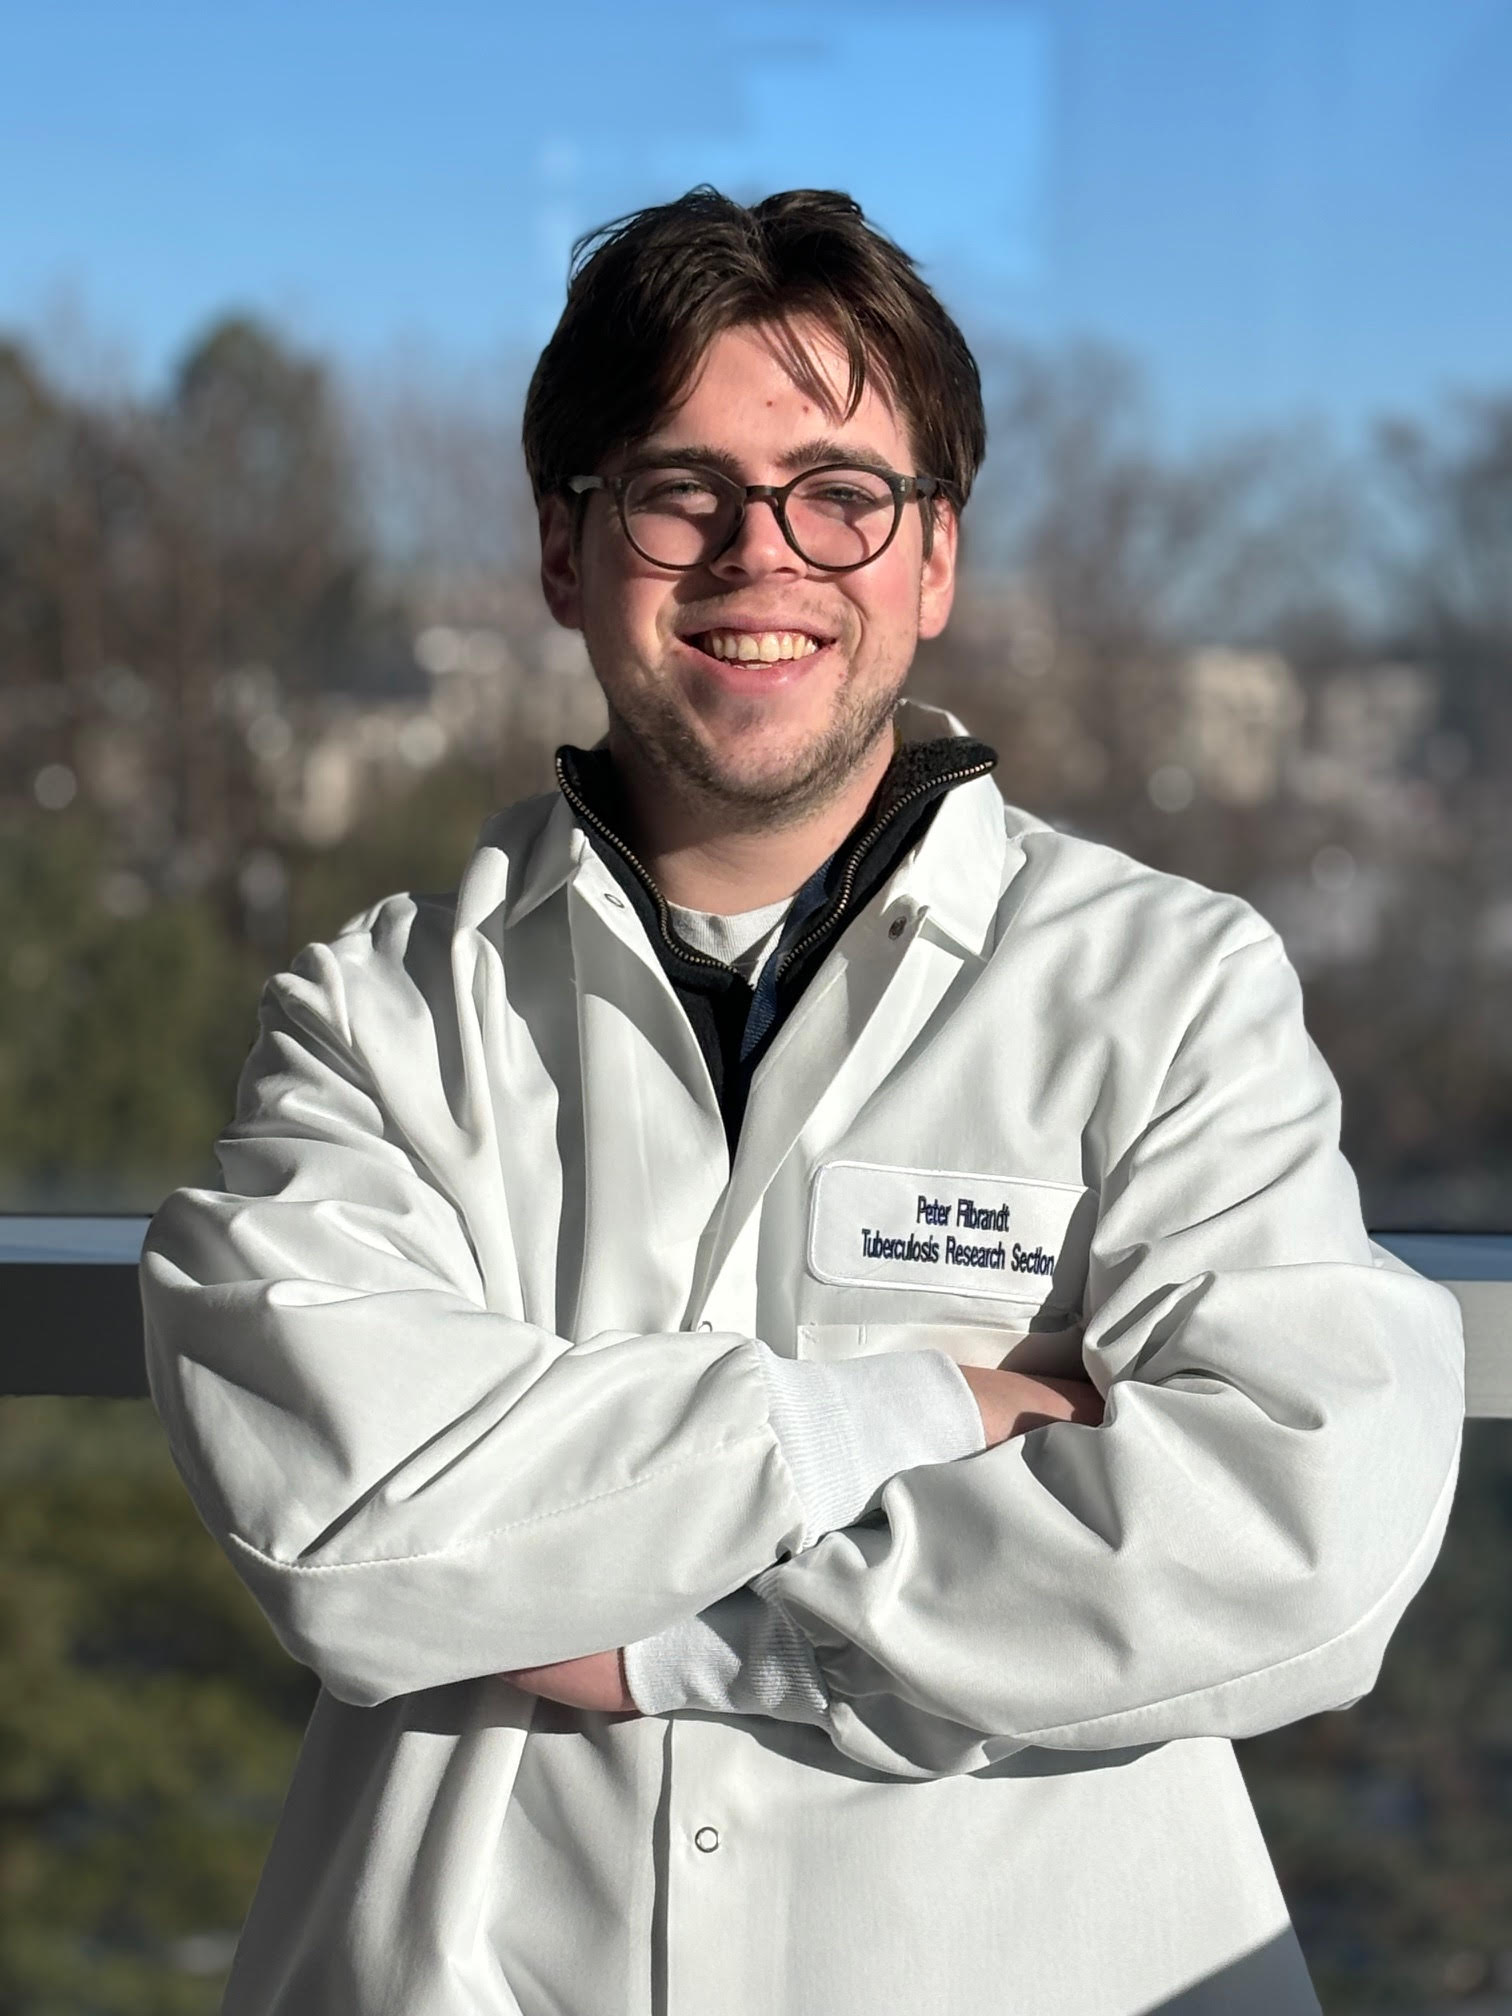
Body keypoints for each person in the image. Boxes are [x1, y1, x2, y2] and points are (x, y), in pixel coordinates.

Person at [141, 188, 1465, 2016]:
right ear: (562, 546)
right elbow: (349, 1519)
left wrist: (690, 1639)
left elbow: (1300, 1523)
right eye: (679, 491)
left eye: (843, 496)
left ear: (934, 563)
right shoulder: (382, 1011)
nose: (762, 558)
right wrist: (931, 1416)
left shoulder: (1166, 987)